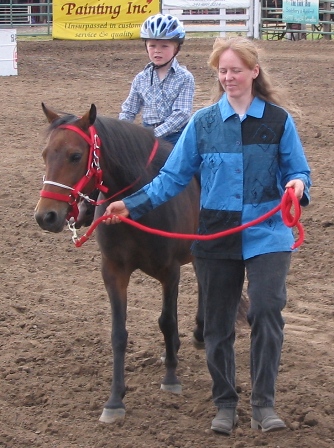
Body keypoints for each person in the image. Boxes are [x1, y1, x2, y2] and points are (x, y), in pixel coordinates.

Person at [104, 37, 311, 435]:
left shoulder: (279, 121)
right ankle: (225, 403)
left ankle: (263, 404)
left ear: (253, 72)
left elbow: (297, 169)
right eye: (223, 71)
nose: (229, 77)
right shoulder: (203, 124)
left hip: (267, 232)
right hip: (216, 234)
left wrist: (298, 186)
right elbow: (173, 178)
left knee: (266, 310)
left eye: (236, 69)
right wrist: (132, 204)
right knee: (217, 324)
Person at [119, 13, 195, 146]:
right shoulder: (141, 78)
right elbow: (129, 110)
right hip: (148, 133)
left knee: (185, 163)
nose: (157, 51)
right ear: (146, 47)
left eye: (164, 46)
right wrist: (122, 131)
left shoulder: (185, 77)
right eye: (152, 46)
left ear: (176, 48)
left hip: (176, 136)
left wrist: (153, 134)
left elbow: (181, 114)